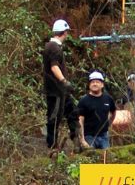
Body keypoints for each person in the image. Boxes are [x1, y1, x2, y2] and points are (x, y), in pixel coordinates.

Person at [43, 18, 75, 151]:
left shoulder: (50, 46)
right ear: (65, 32)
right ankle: (52, 145)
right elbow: (54, 67)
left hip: (59, 91)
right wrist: (64, 82)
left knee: (71, 111)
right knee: (54, 118)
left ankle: (77, 140)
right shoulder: (54, 48)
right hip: (56, 90)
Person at [76, 71, 116, 152]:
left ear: (102, 84)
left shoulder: (108, 99)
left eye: (97, 82)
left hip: (104, 136)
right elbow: (80, 121)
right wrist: (82, 140)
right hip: (89, 136)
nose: (94, 84)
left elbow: (113, 112)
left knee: (107, 158)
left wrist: (108, 124)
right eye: (92, 82)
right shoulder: (84, 101)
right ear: (89, 85)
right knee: (91, 159)